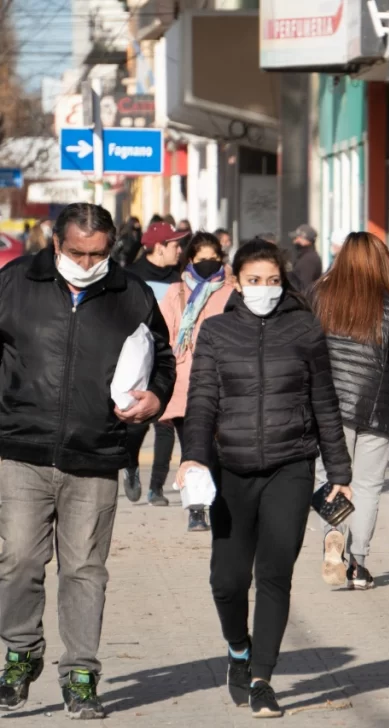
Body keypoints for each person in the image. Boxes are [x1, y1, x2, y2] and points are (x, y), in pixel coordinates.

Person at [0, 203, 175, 718]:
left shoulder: (131, 294)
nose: (87, 261)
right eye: (77, 252)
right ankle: (20, 653)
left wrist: (156, 398)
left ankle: (80, 673)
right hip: (20, 449)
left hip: (96, 454)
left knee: (84, 570)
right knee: (19, 562)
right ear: (56, 244)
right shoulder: (13, 283)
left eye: (98, 253)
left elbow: (161, 357)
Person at [177, 239, 351, 717]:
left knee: (274, 574)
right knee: (227, 581)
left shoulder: (304, 328)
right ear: (235, 281)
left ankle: (262, 680)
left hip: (290, 466)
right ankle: (238, 649)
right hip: (230, 469)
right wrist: (193, 457)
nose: (264, 290)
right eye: (254, 281)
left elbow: (325, 404)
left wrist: (339, 471)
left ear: (284, 282)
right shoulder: (215, 332)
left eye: (273, 281)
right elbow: (202, 403)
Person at [313, 232, 389, 590]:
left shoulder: (319, 297)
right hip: (377, 411)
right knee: (368, 486)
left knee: (331, 479)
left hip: (327, 409)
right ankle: (358, 565)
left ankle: (333, 535)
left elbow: (303, 352)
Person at [158, 232, 234, 532]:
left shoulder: (230, 292)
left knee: (217, 449)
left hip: (222, 382)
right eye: (201, 259)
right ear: (190, 260)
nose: (207, 265)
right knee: (192, 447)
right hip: (184, 384)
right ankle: (197, 509)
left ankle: (217, 501)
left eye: (213, 259)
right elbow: (162, 336)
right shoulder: (175, 293)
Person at [123, 222, 187, 505]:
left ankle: (156, 488)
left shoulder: (179, 278)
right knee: (136, 425)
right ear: (159, 247)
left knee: (165, 423)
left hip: (168, 359)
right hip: (137, 360)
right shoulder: (131, 276)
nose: (180, 249)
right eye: (175, 244)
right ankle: (131, 464)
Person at [289, 223, 322, 289]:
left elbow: (305, 287)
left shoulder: (309, 260)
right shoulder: (304, 257)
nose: (294, 241)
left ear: (306, 240)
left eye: (297, 238)